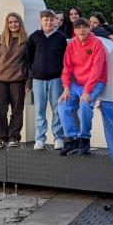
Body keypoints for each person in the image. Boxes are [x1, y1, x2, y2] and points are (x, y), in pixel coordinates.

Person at [58, 18, 107, 156]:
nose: (81, 30)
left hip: (95, 82)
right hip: (77, 84)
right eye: (78, 27)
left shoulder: (97, 43)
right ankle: (72, 139)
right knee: (63, 105)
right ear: (74, 31)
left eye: (84, 27)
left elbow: (96, 70)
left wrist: (86, 91)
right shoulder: (71, 44)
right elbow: (66, 68)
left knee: (85, 105)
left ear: (89, 28)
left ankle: (84, 139)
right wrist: (66, 87)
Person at [0, 12, 29, 149]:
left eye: (16, 22)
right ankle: (1, 137)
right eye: (10, 22)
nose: (13, 24)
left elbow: (29, 64)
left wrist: (28, 81)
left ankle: (14, 137)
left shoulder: (26, 41)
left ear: (20, 23)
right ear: (6, 24)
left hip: (18, 80)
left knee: (17, 111)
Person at [26, 9, 68, 150]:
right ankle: (40, 139)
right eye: (46, 20)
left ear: (55, 21)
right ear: (41, 21)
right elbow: (29, 57)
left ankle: (58, 138)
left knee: (57, 109)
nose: (49, 22)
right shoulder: (34, 37)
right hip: (38, 80)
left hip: (56, 79)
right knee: (40, 110)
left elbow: (65, 58)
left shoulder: (60, 37)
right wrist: (33, 74)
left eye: (51, 19)